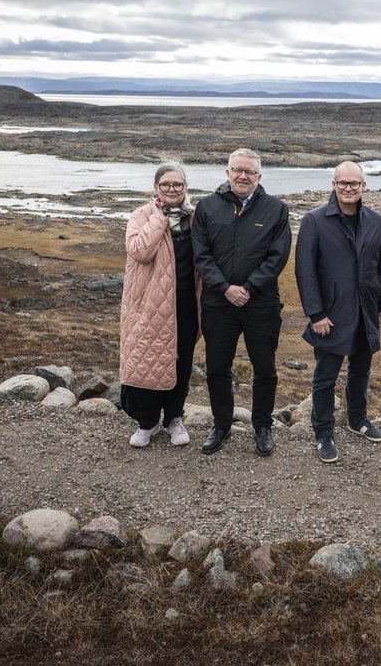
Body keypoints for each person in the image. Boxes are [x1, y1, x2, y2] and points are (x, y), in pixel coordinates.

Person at [192, 148, 292, 457]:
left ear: (259, 176)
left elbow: (278, 256)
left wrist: (248, 288)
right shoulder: (207, 207)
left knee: (265, 368)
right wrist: (225, 288)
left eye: (249, 171)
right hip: (218, 304)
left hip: (261, 304)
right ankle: (221, 425)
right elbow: (201, 254)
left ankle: (262, 427)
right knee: (218, 368)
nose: (243, 175)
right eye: (237, 170)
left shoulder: (276, 209)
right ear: (227, 173)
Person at [295, 161, 381, 464]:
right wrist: (315, 313)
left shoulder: (374, 220)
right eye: (343, 183)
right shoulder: (315, 220)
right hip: (331, 315)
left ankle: (357, 419)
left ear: (364, 186)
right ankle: (323, 432)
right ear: (333, 185)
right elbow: (305, 270)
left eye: (355, 183)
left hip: (366, 311)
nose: (349, 188)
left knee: (361, 371)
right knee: (325, 378)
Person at [119, 164, 201, 447]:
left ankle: (174, 419)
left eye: (177, 185)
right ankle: (147, 423)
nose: (171, 189)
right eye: (165, 184)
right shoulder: (141, 215)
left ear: (185, 187)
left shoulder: (195, 217)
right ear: (156, 187)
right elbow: (140, 251)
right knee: (147, 359)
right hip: (149, 306)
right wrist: (159, 218)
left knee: (182, 361)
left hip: (187, 304)